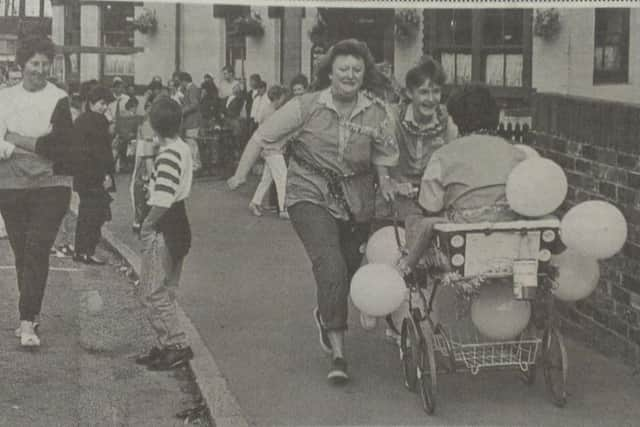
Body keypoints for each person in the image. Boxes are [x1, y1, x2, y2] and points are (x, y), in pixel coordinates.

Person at [228, 39, 398, 383]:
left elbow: (383, 154)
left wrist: (386, 179)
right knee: (330, 264)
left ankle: (325, 312)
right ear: (330, 74)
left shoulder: (378, 112)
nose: (349, 75)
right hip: (310, 193)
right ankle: (338, 351)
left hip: (358, 199)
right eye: (343, 69)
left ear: (364, 74)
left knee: (348, 267)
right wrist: (241, 173)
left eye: (356, 69)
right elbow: (262, 136)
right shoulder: (305, 105)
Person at [397, 84, 526, 277]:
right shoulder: (517, 154)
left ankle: (411, 270)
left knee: (414, 218)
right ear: (494, 116)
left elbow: (430, 205)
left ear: (456, 121)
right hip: (511, 237)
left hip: (462, 241)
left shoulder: (444, 156)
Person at [0, 36, 78, 347]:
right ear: (22, 65)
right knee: (22, 251)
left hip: (52, 183)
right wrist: (34, 145)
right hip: (11, 184)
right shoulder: (5, 98)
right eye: (34, 63)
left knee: (37, 247)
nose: (40, 69)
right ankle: (30, 311)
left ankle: (27, 320)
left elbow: (61, 147)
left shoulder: (58, 98)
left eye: (46, 64)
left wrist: (14, 138)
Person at [135, 96, 194, 371]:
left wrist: (147, 224)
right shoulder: (181, 148)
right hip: (179, 223)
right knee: (166, 289)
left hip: (164, 225)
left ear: (154, 125)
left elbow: (163, 197)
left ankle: (176, 344)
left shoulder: (169, 154)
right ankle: (165, 343)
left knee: (152, 291)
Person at [72, 85, 116, 265]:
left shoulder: (82, 120)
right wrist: (105, 175)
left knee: (86, 214)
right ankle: (86, 251)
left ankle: (81, 251)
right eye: (102, 103)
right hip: (95, 176)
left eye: (106, 104)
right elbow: (102, 152)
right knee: (94, 215)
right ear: (91, 103)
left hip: (83, 176)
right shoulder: (98, 122)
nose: (105, 107)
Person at [244, 85, 291, 218]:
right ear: (278, 97)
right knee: (282, 178)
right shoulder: (272, 112)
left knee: (267, 179)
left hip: (269, 149)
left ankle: (255, 202)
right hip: (273, 150)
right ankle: (283, 209)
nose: (284, 100)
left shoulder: (268, 109)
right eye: (282, 97)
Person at [130, 93, 159, 233]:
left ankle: (141, 219)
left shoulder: (152, 124)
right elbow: (147, 148)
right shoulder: (147, 124)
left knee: (144, 190)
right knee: (143, 189)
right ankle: (140, 220)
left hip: (150, 159)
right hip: (145, 161)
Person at [178, 71, 202, 173]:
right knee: (190, 142)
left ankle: (196, 165)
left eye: (180, 82)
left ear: (184, 81)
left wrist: (182, 111)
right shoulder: (189, 89)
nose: (180, 84)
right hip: (190, 121)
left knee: (192, 143)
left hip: (193, 121)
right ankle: (194, 164)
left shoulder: (192, 89)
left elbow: (194, 104)